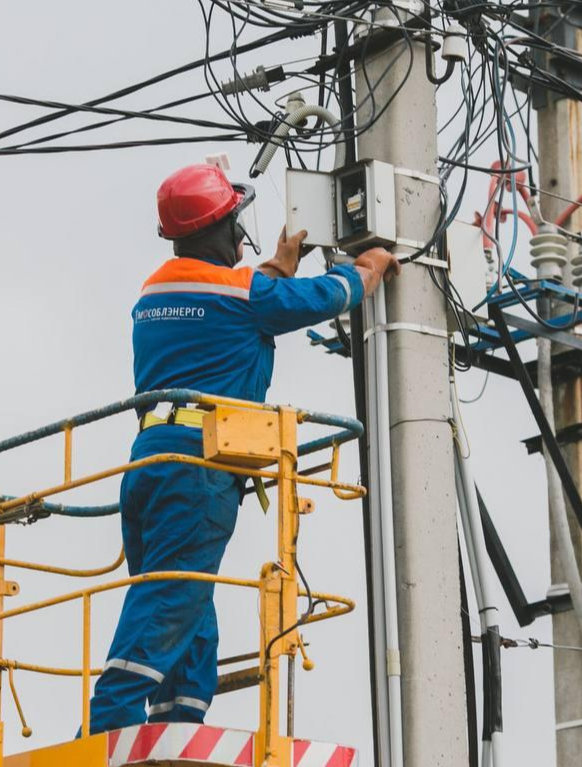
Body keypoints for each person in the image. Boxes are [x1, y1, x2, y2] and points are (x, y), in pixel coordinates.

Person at [87, 163, 400, 733]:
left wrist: (275, 268)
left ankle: (177, 724)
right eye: (236, 221)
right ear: (221, 228)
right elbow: (329, 294)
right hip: (199, 467)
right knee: (171, 598)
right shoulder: (244, 294)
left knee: (189, 604)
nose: (242, 234)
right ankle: (110, 721)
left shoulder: (157, 289)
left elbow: (232, 303)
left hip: (152, 458)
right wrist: (371, 266)